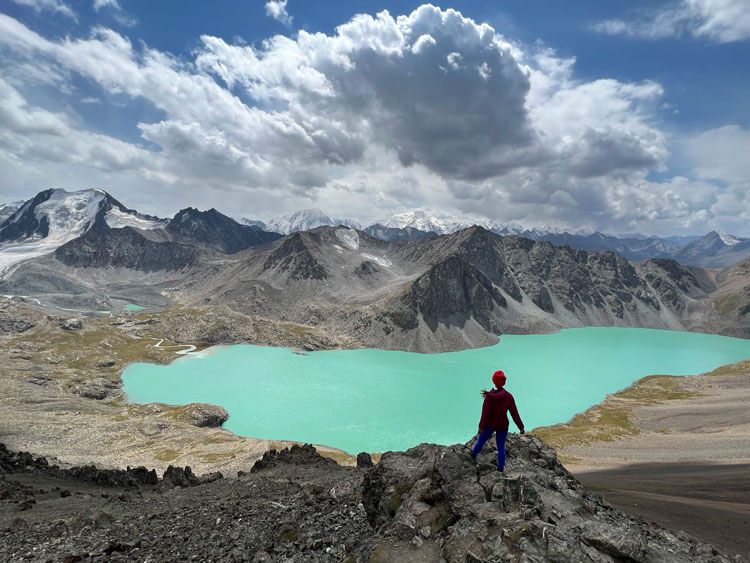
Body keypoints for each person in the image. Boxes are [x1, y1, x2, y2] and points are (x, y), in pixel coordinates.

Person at [471, 369, 524, 472]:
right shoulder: (509, 397)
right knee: (501, 447)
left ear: (493, 381)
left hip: (489, 425)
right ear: (504, 382)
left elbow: (484, 415)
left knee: (481, 440)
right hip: (502, 425)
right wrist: (521, 427)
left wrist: (481, 427)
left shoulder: (489, 397)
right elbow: (515, 414)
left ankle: (473, 455)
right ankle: (500, 469)